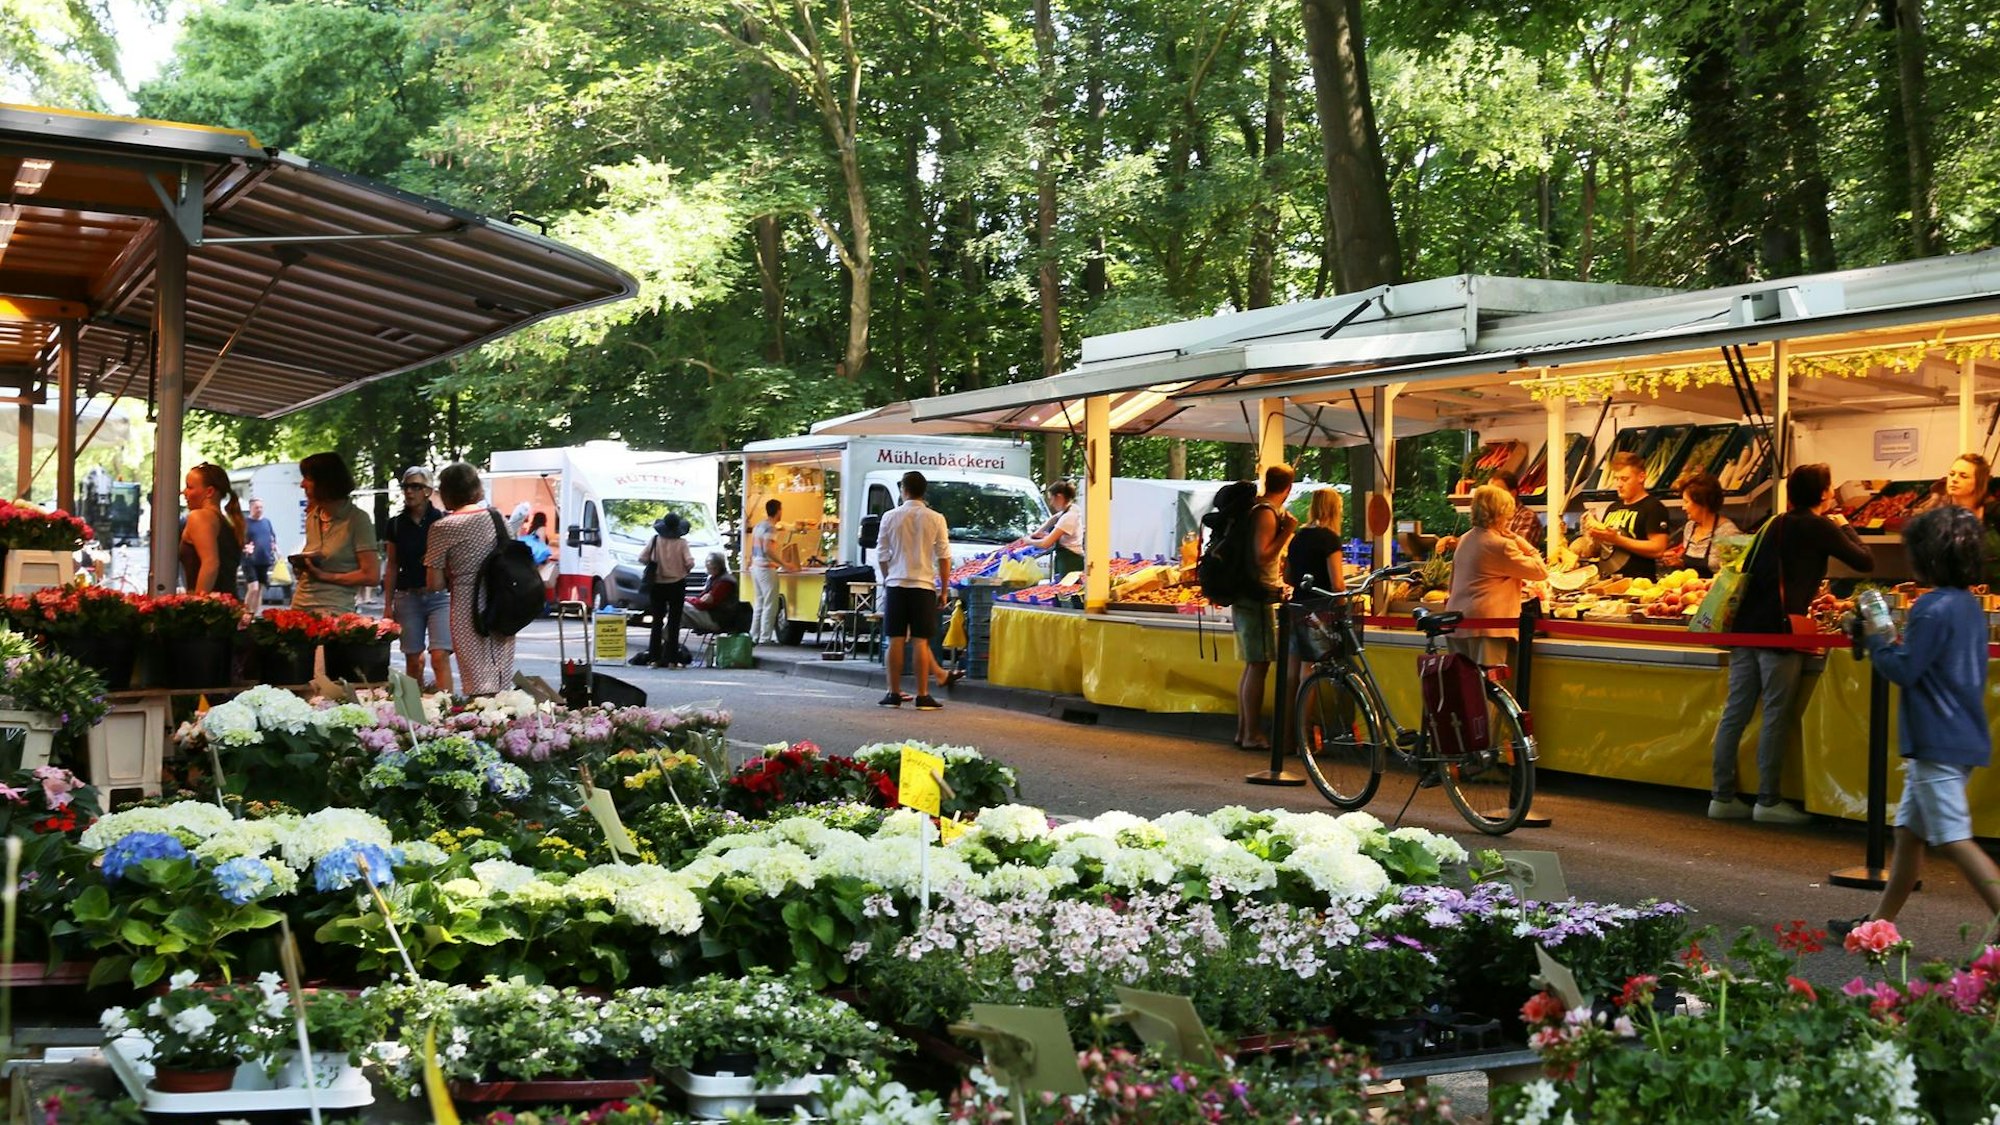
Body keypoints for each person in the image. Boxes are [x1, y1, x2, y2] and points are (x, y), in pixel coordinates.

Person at [1832, 506, 2000, 938]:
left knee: (1952, 837)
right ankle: (1877, 925)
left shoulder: (1930, 608)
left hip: (1933, 737)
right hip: (1962, 732)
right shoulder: (1968, 606)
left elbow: (1905, 669)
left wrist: (1876, 641)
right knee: (1909, 835)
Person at [1709, 462, 1874, 824]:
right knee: (1774, 714)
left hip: (1745, 627)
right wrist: (1843, 523)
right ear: (1821, 493)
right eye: (1829, 487)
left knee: (1734, 713)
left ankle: (1721, 797)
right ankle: (1767, 801)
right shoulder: (1819, 525)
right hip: (1780, 631)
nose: (1832, 493)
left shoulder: (1775, 522)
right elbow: (1864, 560)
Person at [423, 462, 514, 698]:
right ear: (476, 487)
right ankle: (503, 723)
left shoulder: (443, 527)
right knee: (500, 678)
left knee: (476, 680)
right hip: (503, 601)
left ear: (445, 492)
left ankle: (482, 727)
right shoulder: (498, 518)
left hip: (468, 606)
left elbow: (435, 584)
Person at [1443, 484, 1549, 673]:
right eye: (1508, 515)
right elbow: (1540, 571)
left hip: (1458, 622)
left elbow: (1452, 582)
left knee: (1464, 686)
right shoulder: (1501, 546)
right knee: (1489, 690)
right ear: (1500, 514)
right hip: (1487, 627)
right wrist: (1520, 541)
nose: (1509, 520)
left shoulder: (1465, 539)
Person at [875, 470, 952, 711]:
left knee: (894, 639)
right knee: (921, 641)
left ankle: (893, 693)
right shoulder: (936, 518)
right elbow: (944, 556)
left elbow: (882, 554)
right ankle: (923, 695)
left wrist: (889, 578)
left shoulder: (889, 517)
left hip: (897, 584)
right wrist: (944, 590)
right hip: (923, 585)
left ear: (903, 490)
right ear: (924, 491)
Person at [1235, 464, 1296, 752]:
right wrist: (1287, 533)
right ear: (1289, 487)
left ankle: (1243, 730)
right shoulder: (1266, 514)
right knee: (1259, 664)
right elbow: (1262, 557)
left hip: (1248, 593)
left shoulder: (1256, 509)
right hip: (1257, 594)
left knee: (1252, 664)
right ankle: (1252, 734)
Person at [383, 467, 452, 694]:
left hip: (439, 597)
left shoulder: (442, 521)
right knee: (414, 660)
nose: (409, 491)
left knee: (440, 655)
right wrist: (387, 606)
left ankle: (448, 709)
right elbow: (392, 564)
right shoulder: (395, 524)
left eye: (416, 487)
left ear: (428, 491)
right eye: (406, 487)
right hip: (407, 596)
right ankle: (417, 712)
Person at [291, 452, 379, 615]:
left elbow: (371, 576)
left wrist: (325, 576)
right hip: (300, 604)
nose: (302, 485)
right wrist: (303, 566)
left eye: (308, 479)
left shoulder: (358, 519)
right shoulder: (313, 516)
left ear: (325, 482)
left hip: (335, 609)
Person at [1579, 451, 1670, 579]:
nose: (1619, 484)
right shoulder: (1612, 508)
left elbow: (1658, 549)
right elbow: (1603, 549)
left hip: (1638, 585)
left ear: (1641, 477)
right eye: (1616, 479)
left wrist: (1617, 539)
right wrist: (1593, 536)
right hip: (1607, 582)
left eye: (1624, 479)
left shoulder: (1654, 508)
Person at [635, 514, 696, 666]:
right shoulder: (682, 543)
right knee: (674, 622)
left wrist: (655, 562)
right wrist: (683, 570)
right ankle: (672, 660)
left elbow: (642, 558)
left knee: (656, 621)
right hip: (677, 584)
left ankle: (654, 658)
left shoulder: (655, 540)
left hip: (657, 584)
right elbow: (690, 562)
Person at [178, 462, 245, 596]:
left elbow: (210, 563)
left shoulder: (200, 516)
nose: (183, 492)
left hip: (212, 610)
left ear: (209, 492)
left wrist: (198, 604)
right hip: (227, 603)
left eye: (189, 487)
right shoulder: (226, 521)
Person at [1437, 470, 1542, 555]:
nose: (1490, 498)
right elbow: (1479, 541)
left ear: (1512, 494)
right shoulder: (1490, 517)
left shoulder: (1526, 517)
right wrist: (1455, 542)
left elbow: (1519, 553)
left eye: (1496, 493)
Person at [1661, 471, 1740, 579]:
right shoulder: (1690, 527)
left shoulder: (1728, 533)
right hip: (1692, 592)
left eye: (1686, 502)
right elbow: (1693, 568)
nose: (1683, 507)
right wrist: (1679, 562)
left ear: (1702, 503)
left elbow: (1735, 575)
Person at [1939, 452, 2000, 586]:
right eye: (1952, 474)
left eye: (1963, 476)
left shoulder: (1995, 514)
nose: (1954, 479)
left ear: (1979, 482)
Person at [1009, 481, 1084, 578]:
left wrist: (1029, 541)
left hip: (1070, 561)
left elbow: (1046, 544)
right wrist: (1036, 533)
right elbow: (1052, 520)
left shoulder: (1069, 517)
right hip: (1066, 559)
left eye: (1051, 499)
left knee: (1068, 590)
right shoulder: (1071, 509)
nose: (1051, 503)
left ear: (1059, 497)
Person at [748, 498, 792, 644]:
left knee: (759, 603)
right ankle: (765, 637)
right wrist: (784, 564)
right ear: (778, 511)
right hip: (766, 568)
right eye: (781, 509)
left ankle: (753, 635)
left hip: (755, 567)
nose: (782, 512)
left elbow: (754, 548)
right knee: (770, 604)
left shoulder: (758, 526)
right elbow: (768, 549)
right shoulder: (771, 528)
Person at [681, 552, 740, 638]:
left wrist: (686, 599)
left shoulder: (724, 582)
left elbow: (704, 604)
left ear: (715, 567)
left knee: (678, 606)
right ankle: (668, 641)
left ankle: (666, 641)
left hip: (717, 619)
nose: (706, 568)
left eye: (708, 565)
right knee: (678, 614)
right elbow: (702, 599)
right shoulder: (716, 579)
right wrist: (694, 600)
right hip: (713, 616)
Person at [241, 497, 277, 608]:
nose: (259, 509)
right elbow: (238, 540)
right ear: (251, 508)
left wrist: (274, 546)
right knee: (254, 588)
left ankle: (254, 615)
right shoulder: (245, 523)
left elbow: (272, 537)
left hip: (264, 559)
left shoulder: (266, 522)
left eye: (261, 507)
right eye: (257, 507)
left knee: (259, 589)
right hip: (249, 561)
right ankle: (245, 613)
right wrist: (244, 547)